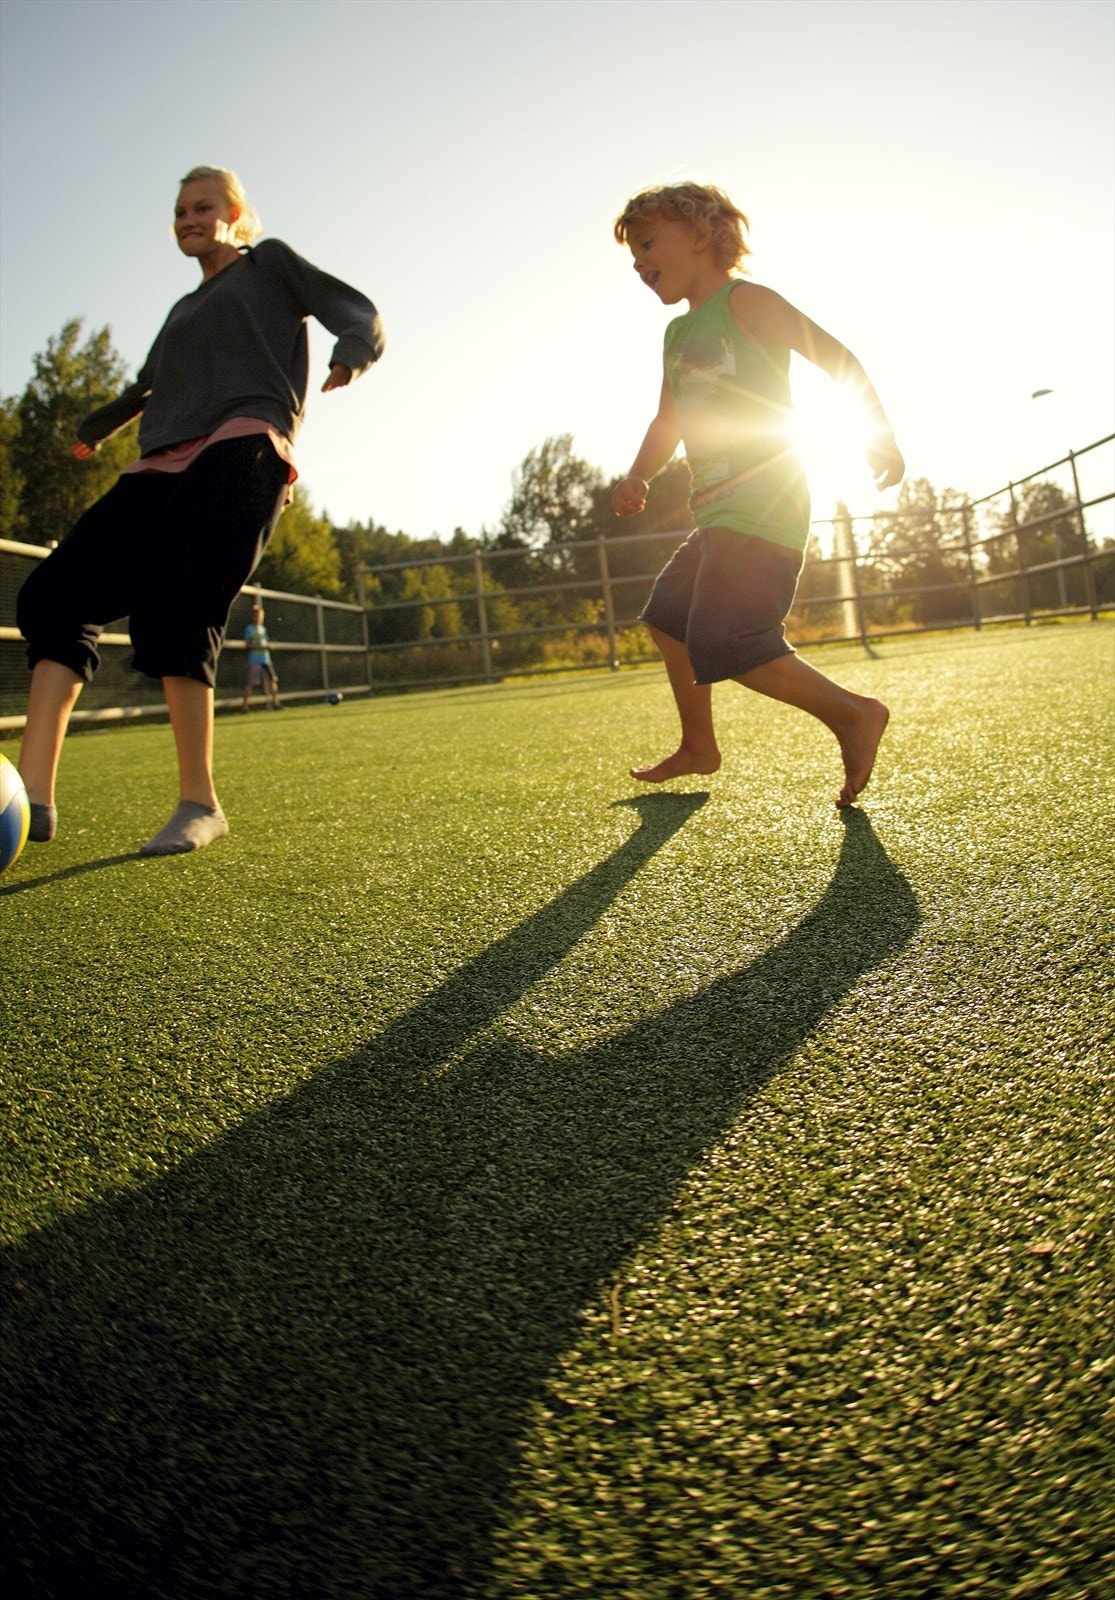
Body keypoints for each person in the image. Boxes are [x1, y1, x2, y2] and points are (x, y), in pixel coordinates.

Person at [16, 165, 383, 853]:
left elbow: (355, 310)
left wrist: (353, 349)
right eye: (179, 210)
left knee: (177, 596)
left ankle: (199, 801)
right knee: (53, 597)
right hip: (160, 462)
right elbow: (143, 388)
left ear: (234, 214)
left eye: (202, 206)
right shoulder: (180, 312)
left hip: (244, 444)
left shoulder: (267, 264)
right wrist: (95, 425)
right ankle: (31, 797)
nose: (187, 218)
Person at [612, 182, 904, 808]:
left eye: (647, 243)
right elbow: (668, 421)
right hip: (716, 511)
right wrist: (640, 473)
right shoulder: (676, 335)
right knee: (669, 621)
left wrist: (876, 436)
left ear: (700, 235)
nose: (639, 261)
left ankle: (854, 715)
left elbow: (836, 356)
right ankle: (699, 746)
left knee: (728, 640)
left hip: (764, 503)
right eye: (632, 254)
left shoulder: (749, 303)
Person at [241, 603, 282, 712]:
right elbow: (248, 644)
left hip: (266, 659)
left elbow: (265, 642)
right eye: (256, 616)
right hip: (254, 660)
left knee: (272, 680)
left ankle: (276, 703)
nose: (258, 618)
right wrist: (259, 647)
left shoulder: (263, 629)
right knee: (251, 683)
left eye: (260, 616)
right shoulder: (249, 629)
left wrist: (267, 646)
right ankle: (244, 706)